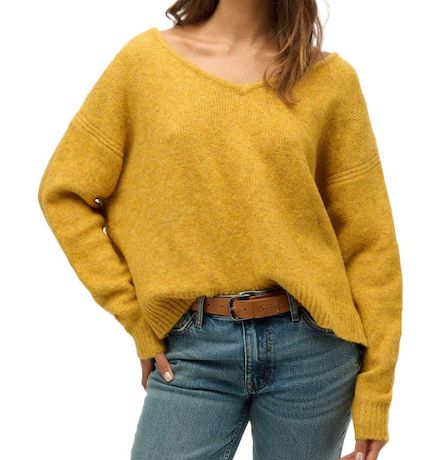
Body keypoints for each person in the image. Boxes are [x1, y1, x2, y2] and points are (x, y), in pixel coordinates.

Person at [37, 1, 403, 459]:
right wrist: (137, 318)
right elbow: (64, 193)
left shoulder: (330, 80)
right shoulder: (144, 65)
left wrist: (376, 395)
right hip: (193, 347)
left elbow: (370, 245)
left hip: (314, 352)